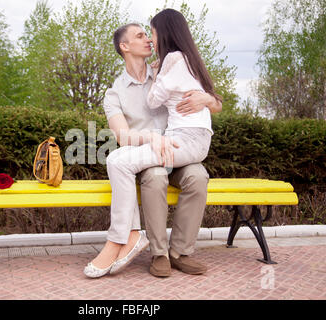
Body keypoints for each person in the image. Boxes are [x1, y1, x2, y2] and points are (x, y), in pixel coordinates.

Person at [84, 10, 222, 278]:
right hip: (150, 157)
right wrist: (151, 138)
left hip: (180, 151)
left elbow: (215, 101)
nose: (148, 39)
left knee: (198, 176)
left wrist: (206, 100)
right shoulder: (114, 94)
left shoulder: (169, 67)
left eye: (149, 34)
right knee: (156, 176)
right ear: (124, 47)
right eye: (140, 35)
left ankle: (180, 252)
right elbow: (123, 138)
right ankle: (158, 254)